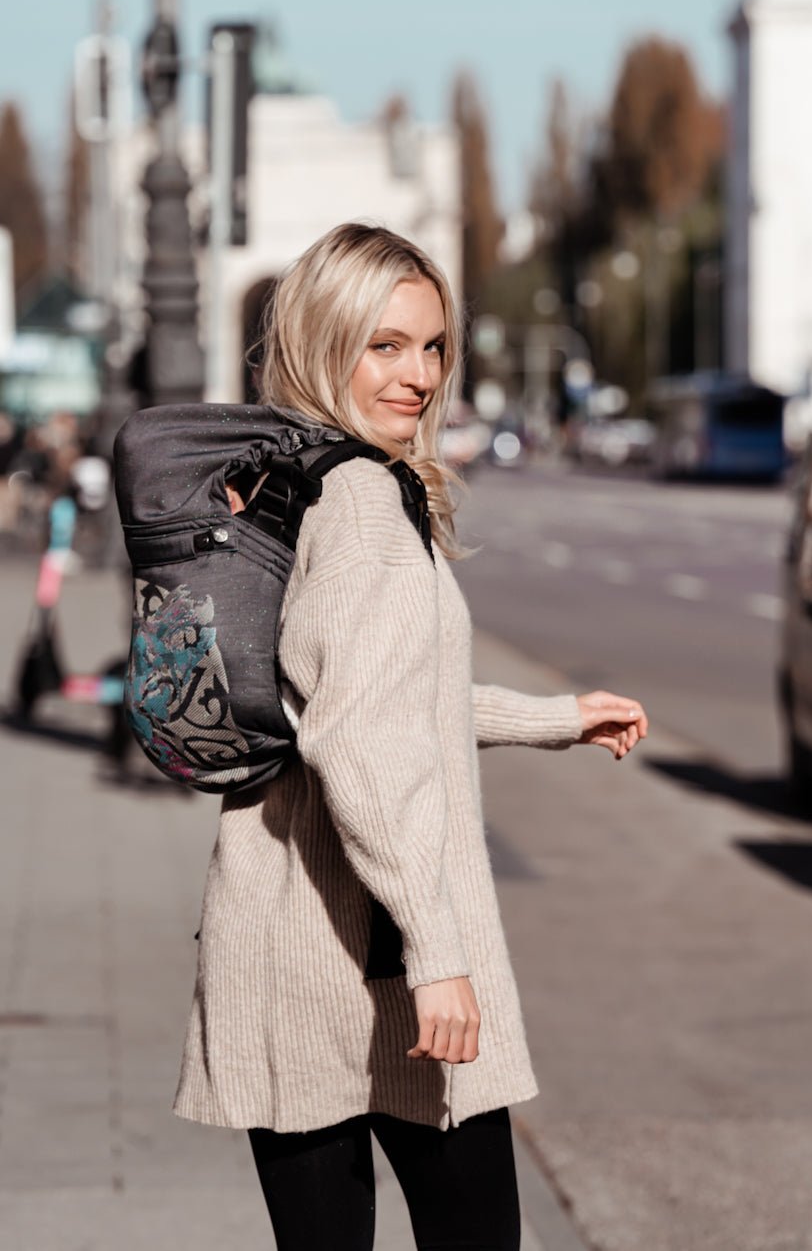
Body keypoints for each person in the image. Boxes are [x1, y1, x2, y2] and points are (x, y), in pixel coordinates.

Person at [173, 223, 648, 1251]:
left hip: (282, 941)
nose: (420, 376)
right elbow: (360, 745)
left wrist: (557, 718)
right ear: (321, 340)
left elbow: (371, 696)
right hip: (376, 966)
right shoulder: (362, 508)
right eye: (384, 345)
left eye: (432, 347)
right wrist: (439, 956)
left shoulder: (289, 479)